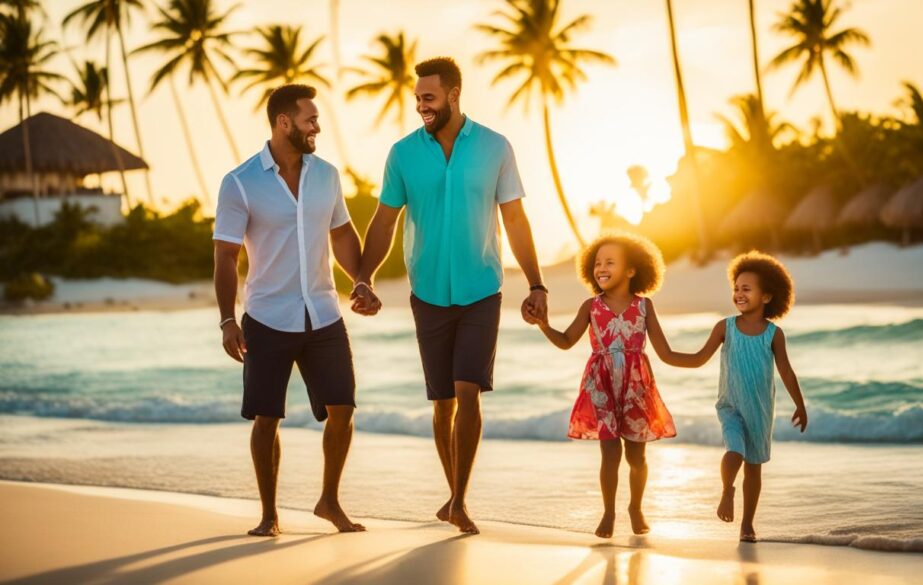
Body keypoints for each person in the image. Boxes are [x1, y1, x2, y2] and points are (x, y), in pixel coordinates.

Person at [350, 57, 547, 535]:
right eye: (418, 98)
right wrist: (362, 278)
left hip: (482, 288)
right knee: (442, 402)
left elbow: (515, 219)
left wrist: (536, 282)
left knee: (468, 391)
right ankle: (453, 493)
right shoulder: (402, 154)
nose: (422, 106)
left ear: (454, 95)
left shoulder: (495, 147)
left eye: (429, 97)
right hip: (428, 292)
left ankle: (458, 501)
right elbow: (383, 221)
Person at [213, 84, 366, 537]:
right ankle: (269, 514)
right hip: (267, 316)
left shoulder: (327, 175)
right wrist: (226, 319)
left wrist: (361, 280)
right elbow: (225, 256)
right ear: (284, 123)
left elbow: (341, 234)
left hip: (323, 312)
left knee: (342, 407)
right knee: (267, 417)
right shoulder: (240, 181)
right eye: (310, 119)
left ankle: (329, 501)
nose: (317, 126)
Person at [533, 232, 677, 538]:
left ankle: (635, 507)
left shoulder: (644, 307)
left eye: (610, 262)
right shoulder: (590, 306)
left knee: (636, 457)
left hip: (637, 386)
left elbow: (665, 352)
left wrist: (705, 354)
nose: (601, 267)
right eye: (597, 262)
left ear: (631, 270)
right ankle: (609, 512)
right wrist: (544, 325)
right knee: (609, 453)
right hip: (601, 384)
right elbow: (566, 341)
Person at [668, 250, 808, 542]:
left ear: (767, 297)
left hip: (759, 409)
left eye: (746, 288)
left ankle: (747, 524)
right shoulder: (725, 327)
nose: (739, 293)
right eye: (736, 288)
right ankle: (726, 490)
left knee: (754, 469)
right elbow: (697, 359)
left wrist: (800, 404)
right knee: (735, 450)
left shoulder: (774, 334)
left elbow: (786, 371)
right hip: (730, 405)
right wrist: (664, 355)